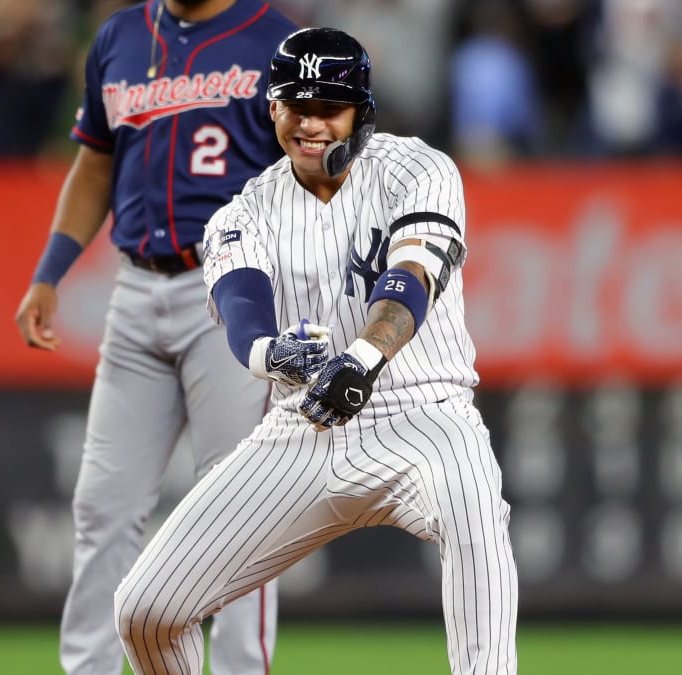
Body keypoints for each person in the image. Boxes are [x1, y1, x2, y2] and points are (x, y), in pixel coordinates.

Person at [113, 27, 519, 675]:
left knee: (475, 511)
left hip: (424, 414)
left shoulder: (417, 170)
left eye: (328, 107)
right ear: (271, 107)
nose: (309, 123)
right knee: (146, 609)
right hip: (302, 428)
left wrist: (361, 357)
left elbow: (411, 278)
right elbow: (243, 308)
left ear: (361, 111)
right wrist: (271, 353)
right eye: (294, 105)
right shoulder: (243, 212)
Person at [13, 2, 296, 673]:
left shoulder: (278, 41)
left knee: (240, 509)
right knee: (101, 508)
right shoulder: (120, 36)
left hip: (233, 290)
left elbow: (322, 174)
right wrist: (50, 270)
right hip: (136, 288)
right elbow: (93, 166)